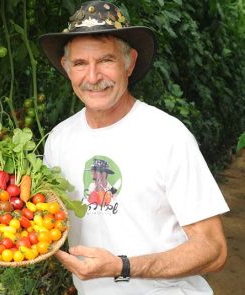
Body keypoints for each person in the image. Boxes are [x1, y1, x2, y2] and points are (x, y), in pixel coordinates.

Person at [39, 1, 229, 294]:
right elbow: (49, 220)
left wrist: (122, 266)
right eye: (80, 64)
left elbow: (214, 250)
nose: (92, 77)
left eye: (106, 60)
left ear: (129, 63)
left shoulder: (168, 136)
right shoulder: (58, 140)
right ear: (66, 68)